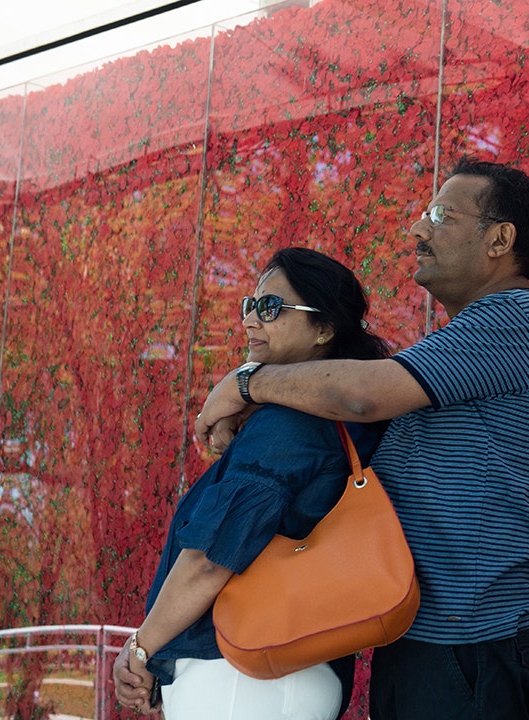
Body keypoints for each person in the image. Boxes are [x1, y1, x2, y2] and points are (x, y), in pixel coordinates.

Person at [194, 158, 529, 720]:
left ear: (500, 239)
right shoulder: (471, 337)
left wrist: (246, 382)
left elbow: (364, 395)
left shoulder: (519, 319)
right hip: (432, 640)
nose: (418, 230)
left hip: (469, 643)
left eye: (440, 215)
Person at [112, 247, 392, 719]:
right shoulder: (324, 423)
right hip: (269, 670)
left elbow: (209, 561)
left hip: (247, 673)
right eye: (250, 305)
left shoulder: (289, 427)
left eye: (271, 308)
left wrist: (140, 648)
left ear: (324, 328)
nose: (250, 321)